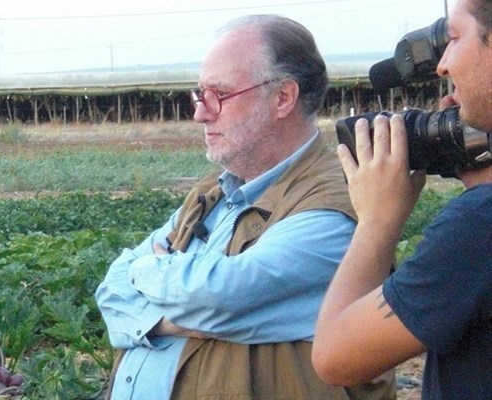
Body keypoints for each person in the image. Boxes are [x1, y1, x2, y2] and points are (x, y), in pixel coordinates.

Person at [95, 14, 394, 400]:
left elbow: (223, 296)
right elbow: (111, 291)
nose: (200, 112)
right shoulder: (215, 190)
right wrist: (164, 323)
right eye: (199, 95)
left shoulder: (340, 204)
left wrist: (146, 268)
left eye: (218, 95)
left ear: (283, 97)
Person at [312, 0, 492, 398]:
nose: (443, 65)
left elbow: (334, 356)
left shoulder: (480, 223)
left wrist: (378, 219)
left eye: (455, 37)